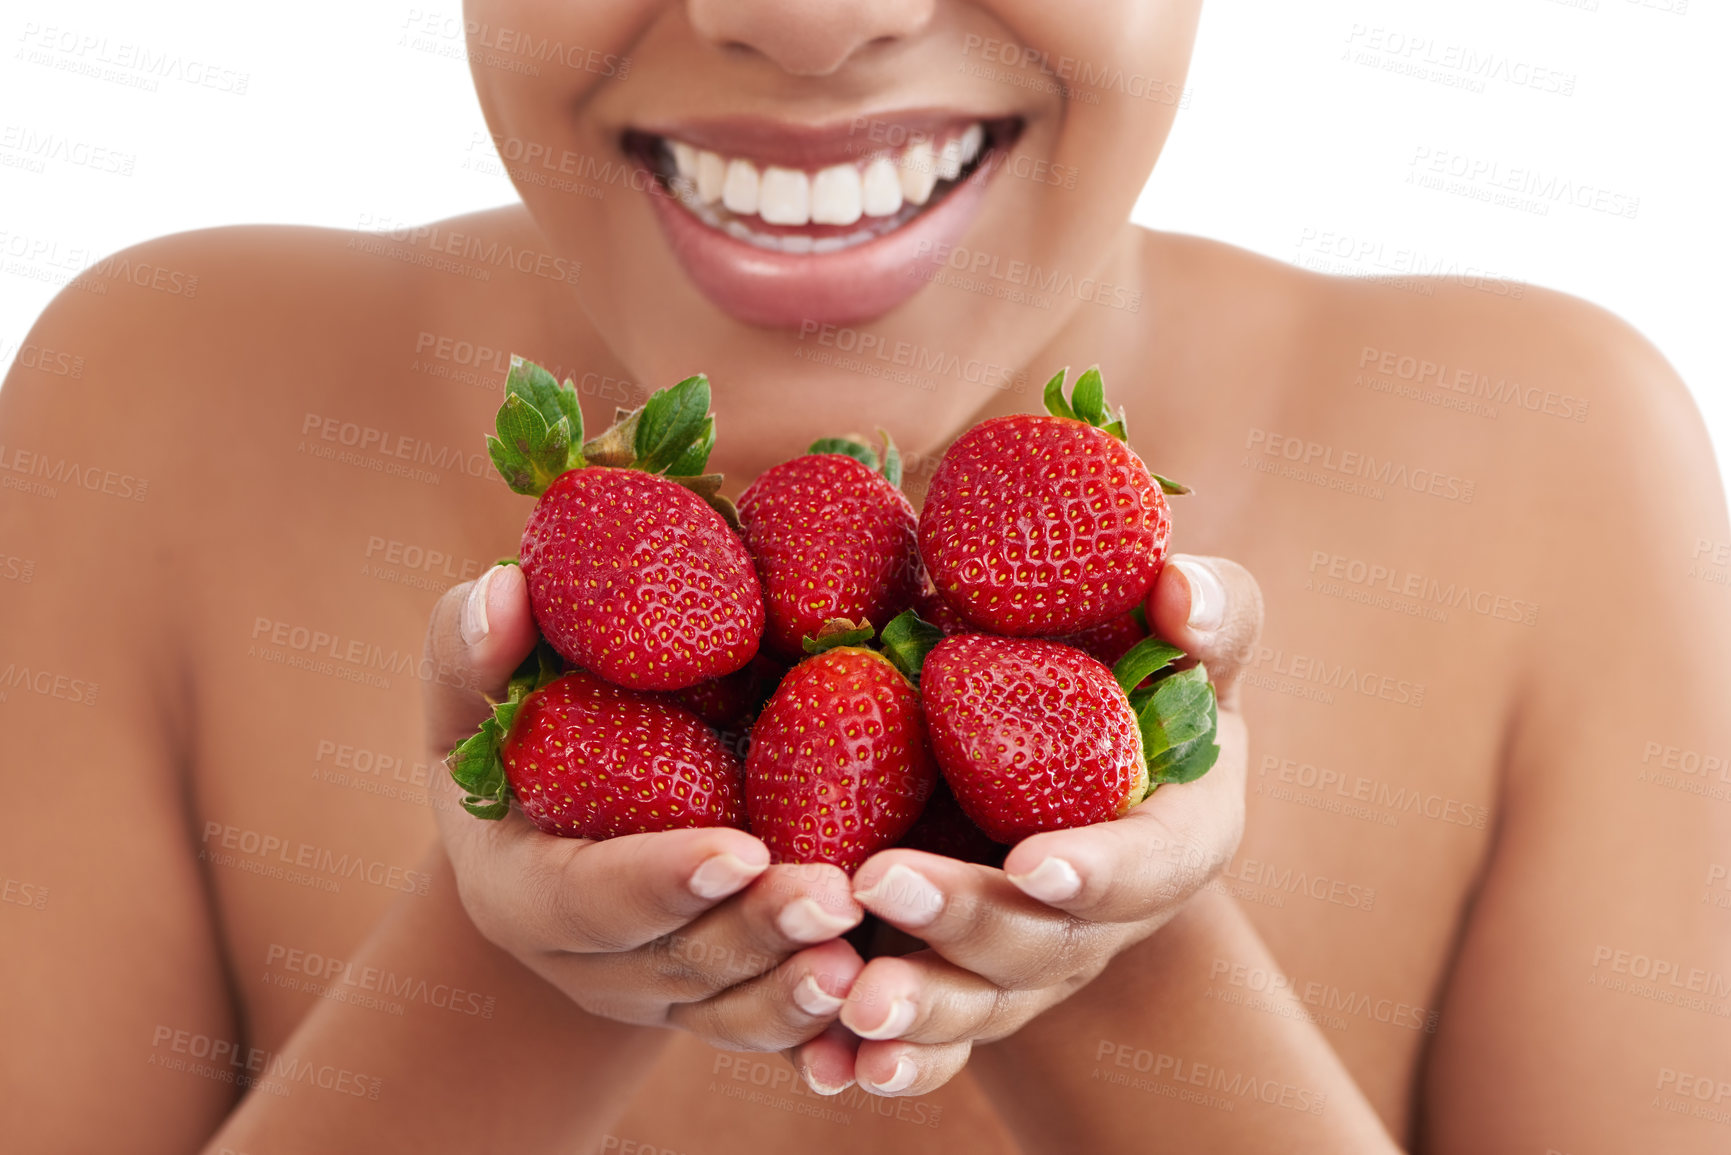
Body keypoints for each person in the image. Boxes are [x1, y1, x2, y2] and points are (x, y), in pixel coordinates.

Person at [3, 2, 1727, 1152]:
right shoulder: (158, 408)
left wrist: (1109, 942)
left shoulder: (1548, 463)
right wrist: (510, 956)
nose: (810, 13)